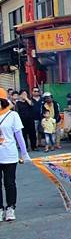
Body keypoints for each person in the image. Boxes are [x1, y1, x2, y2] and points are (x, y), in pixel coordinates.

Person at [0, 87, 31, 222]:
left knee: (9, 182)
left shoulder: (12, 115)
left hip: (9, 154)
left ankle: (10, 208)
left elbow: (19, 136)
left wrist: (24, 154)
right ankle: (0, 209)